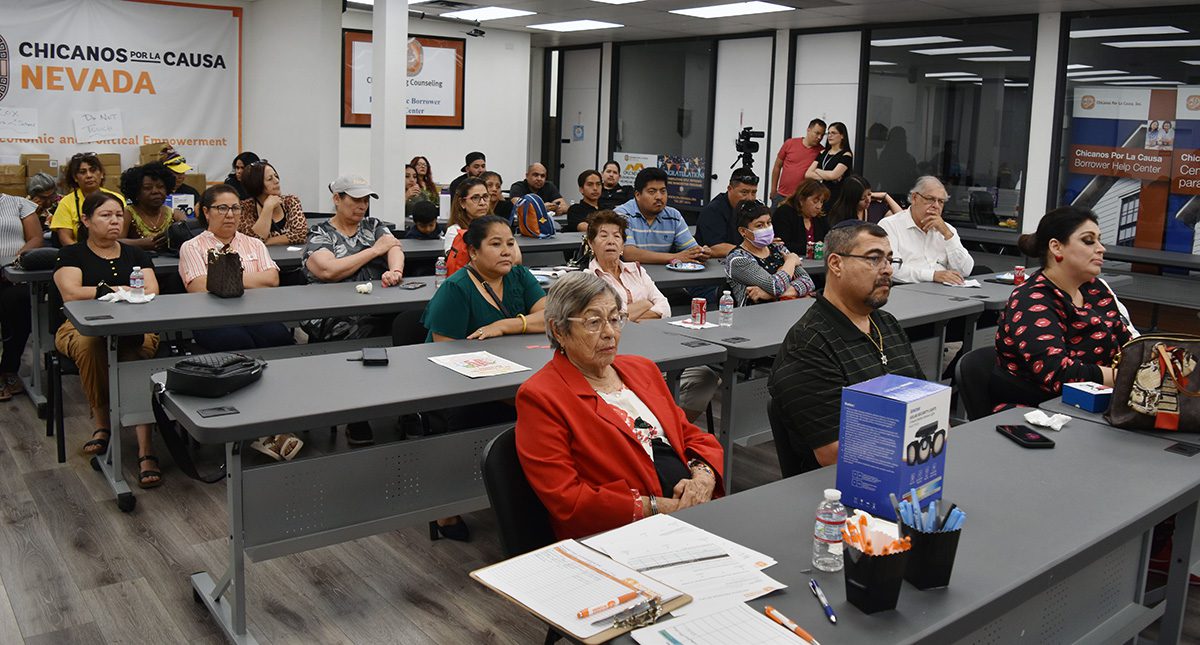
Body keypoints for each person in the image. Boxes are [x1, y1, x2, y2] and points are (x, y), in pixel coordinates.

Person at [515, 271, 725, 539]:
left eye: (615, 319)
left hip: (691, 512)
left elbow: (689, 435)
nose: (609, 333)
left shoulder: (642, 369)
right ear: (559, 330)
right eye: (593, 322)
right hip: (620, 533)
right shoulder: (541, 396)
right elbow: (568, 498)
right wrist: (663, 508)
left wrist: (703, 479)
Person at [768, 220, 924, 471]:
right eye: (874, 259)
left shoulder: (887, 324)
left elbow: (924, 402)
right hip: (848, 483)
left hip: (910, 464)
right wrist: (924, 439)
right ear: (836, 264)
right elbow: (836, 453)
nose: (887, 270)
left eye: (889, 260)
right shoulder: (808, 346)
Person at [53, 191, 163, 488]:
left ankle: (145, 448)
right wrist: (121, 289)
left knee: (133, 357)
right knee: (91, 344)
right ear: (86, 220)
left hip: (135, 326)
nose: (114, 221)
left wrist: (103, 290)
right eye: (105, 215)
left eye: (118, 215)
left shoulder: (136, 255)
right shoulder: (72, 254)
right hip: (79, 328)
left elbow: (151, 290)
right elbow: (72, 293)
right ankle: (102, 424)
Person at [991, 206, 1133, 407]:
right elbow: (1058, 374)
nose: (1101, 248)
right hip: (1040, 411)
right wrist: (1128, 377)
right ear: (1056, 247)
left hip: (1097, 403)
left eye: (1099, 240)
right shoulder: (1031, 299)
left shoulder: (1095, 289)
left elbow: (1128, 347)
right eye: (1088, 240)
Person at [179, 185, 294, 351]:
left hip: (255, 312)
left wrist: (222, 279)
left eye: (235, 208)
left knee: (279, 337)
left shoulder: (255, 243)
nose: (230, 215)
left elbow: (272, 279)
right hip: (212, 317)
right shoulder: (192, 246)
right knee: (236, 341)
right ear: (206, 212)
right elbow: (198, 286)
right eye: (222, 208)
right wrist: (251, 280)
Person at [302, 176, 404, 343]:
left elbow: (393, 247)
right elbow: (328, 270)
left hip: (376, 305)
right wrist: (374, 250)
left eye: (366, 200)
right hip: (335, 310)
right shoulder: (320, 232)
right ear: (337, 199)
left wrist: (395, 270)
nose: (363, 206)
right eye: (356, 200)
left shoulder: (373, 225)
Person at [423, 215, 546, 343]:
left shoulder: (520, 275)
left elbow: (551, 318)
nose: (507, 252)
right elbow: (444, 348)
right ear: (473, 252)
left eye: (510, 244)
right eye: (496, 244)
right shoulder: (455, 288)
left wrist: (503, 326)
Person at [879, 176, 974, 285]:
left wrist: (948, 234)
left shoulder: (947, 229)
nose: (936, 206)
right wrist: (933, 275)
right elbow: (891, 269)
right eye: (930, 199)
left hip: (944, 290)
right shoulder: (890, 225)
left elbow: (965, 270)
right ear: (914, 198)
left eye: (941, 201)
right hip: (908, 289)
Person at [725, 201, 816, 307]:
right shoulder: (738, 259)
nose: (766, 228)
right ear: (743, 231)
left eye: (769, 223)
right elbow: (775, 286)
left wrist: (768, 295)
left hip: (787, 309)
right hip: (754, 313)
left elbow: (808, 282)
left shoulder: (778, 248)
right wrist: (790, 261)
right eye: (759, 225)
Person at [585, 210, 669, 321]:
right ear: (591, 243)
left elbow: (665, 308)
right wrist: (646, 304)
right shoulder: (589, 278)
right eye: (604, 236)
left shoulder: (637, 270)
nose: (611, 241)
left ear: (623, 244)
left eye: (616, 236)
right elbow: (608, 319)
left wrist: (629, 318)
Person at [614, 167, 708, 265]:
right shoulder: (622, 215)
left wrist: (700, 252)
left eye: (663, 191)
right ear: (638, 195)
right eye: (652, 191)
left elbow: (691, 250)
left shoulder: (674, 216)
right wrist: (676, 257)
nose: (659, 197)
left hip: (664, 274)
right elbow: (629, 254)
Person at [0, 193, 43, 400]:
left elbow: (35, 238)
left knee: (21, 301)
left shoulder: (18, 203)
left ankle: (9, 368)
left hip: (14, 274)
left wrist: (14, 262)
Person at [48, 152, 124, 246]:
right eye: (82, 172)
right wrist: (84, 253)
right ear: (75, 178)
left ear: (101, 174)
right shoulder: (66, 203)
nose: (89, 175)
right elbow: (65, 238)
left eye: (93, 170)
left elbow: (123, 234)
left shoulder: (117, 199)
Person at [118, 163, 186, 252]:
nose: (155, 191)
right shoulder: (127, 213)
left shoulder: (175, 215)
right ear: (136, 192)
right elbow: (115, 242)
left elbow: (191, 240)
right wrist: (140, 244)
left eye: (160, 187)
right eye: (147, 188)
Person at [695, 167, 761, 258]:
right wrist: (753, 251)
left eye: (753, 193)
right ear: (730, 189)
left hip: (745, 258)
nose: (750, 198)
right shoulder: (713, 211)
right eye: (744, 192)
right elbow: (716, 248)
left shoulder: (756, 208)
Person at [238, 160, 307, 245]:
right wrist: (268, 208)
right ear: (256, 184)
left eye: (276, 176)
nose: (276, 181)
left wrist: (267, 242)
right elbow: (252, 241)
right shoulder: (245, 207)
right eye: (270, 179)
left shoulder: (290, 201)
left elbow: (301, 234)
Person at [443, 178, 494, 275]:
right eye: (475, 198)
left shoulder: (496, 227)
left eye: (485, 196)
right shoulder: (455, 231)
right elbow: (456, 265)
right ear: (462, 203)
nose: (482, 203)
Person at [770, 118, 826, 205]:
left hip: (803, 198)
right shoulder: (790, 143)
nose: (819, 137)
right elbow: (777, 166)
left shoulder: (821, 151)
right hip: (782, 195)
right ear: (808, 130)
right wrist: (773, 189)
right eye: (817, 133)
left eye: (822, 135)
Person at [773, 179, 829, 254]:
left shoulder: (820, 217)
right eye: (815, 201)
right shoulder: (784, 213)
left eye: (821, 202)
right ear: (801, 200)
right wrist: (813, 248)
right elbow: (782, 244)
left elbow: (829, 241)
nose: (819, 206)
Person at [805, 121, 853, 208]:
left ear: (842, 136)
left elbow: (833, 175)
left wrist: (817, 170)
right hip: (820, 195)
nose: (830, 136)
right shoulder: (822, 152)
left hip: (836, 198)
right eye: (829, 133)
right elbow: (808, 174)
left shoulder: (846, 155)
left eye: (833, 133)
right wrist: (828, 177)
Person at [825, 174, 901, 228]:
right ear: (853, 200)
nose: (868, 200)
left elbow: (901, 218)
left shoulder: (876, 207)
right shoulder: (840, 215)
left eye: (869, 194)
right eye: (863, 198)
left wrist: (886, 196)